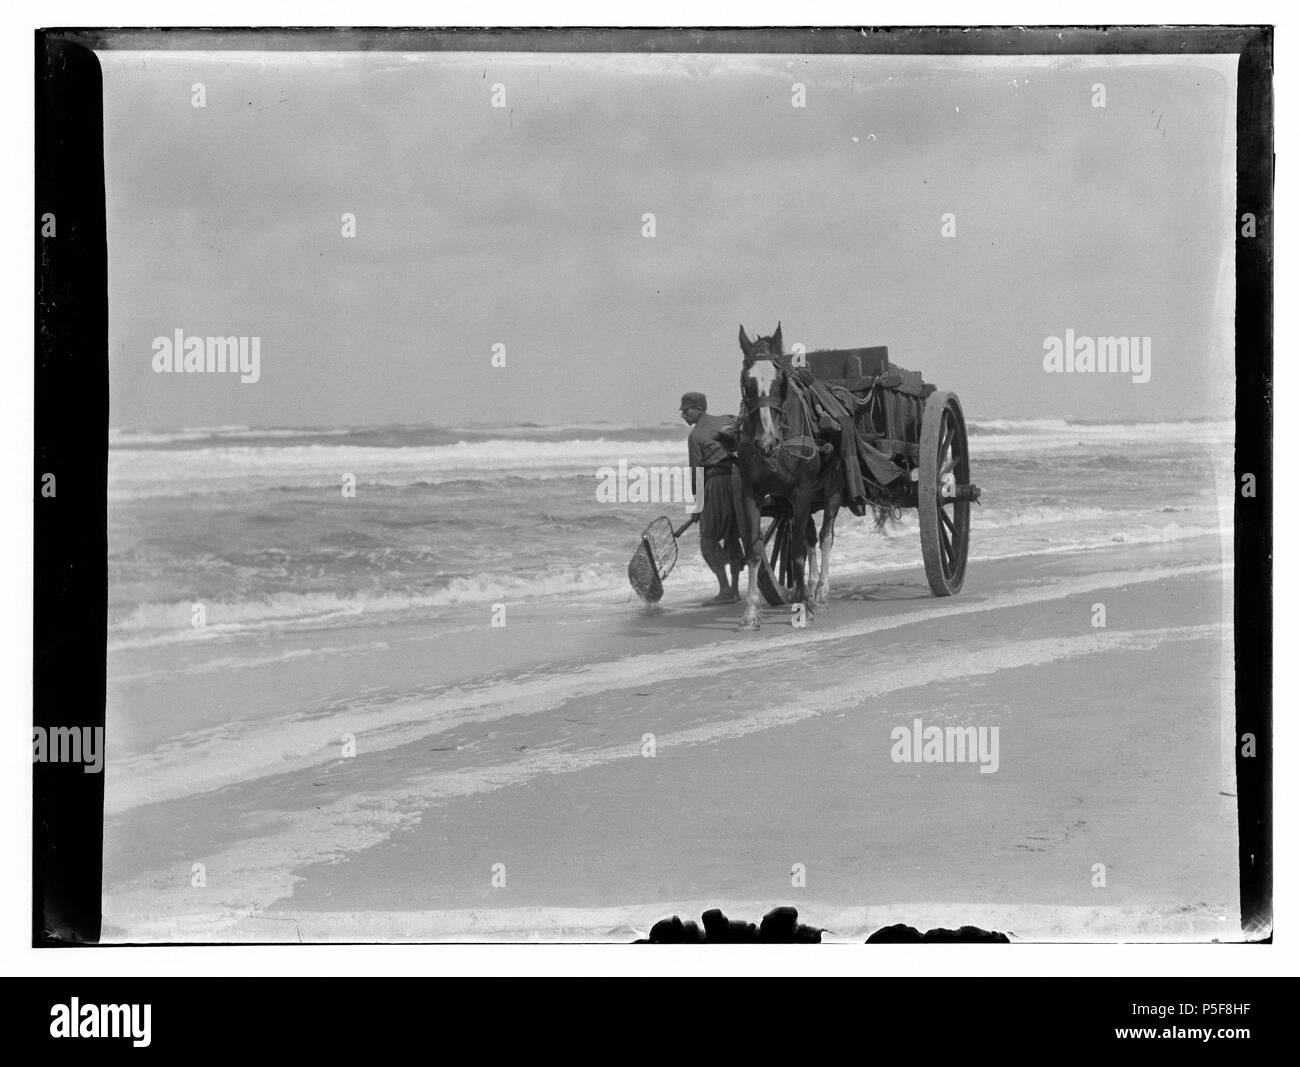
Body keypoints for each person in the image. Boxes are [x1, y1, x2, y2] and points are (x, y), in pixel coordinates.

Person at [680, 392, 745, 605]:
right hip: (740, 479)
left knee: (708, 540)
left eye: (686, 409)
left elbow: (696, 472)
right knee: (733, 536)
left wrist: (698, 505)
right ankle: (735, 589)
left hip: (717, 484)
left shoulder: (695, 435)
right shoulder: (728, 419)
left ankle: (725, 590)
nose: (683, 415)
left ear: (698, 408)